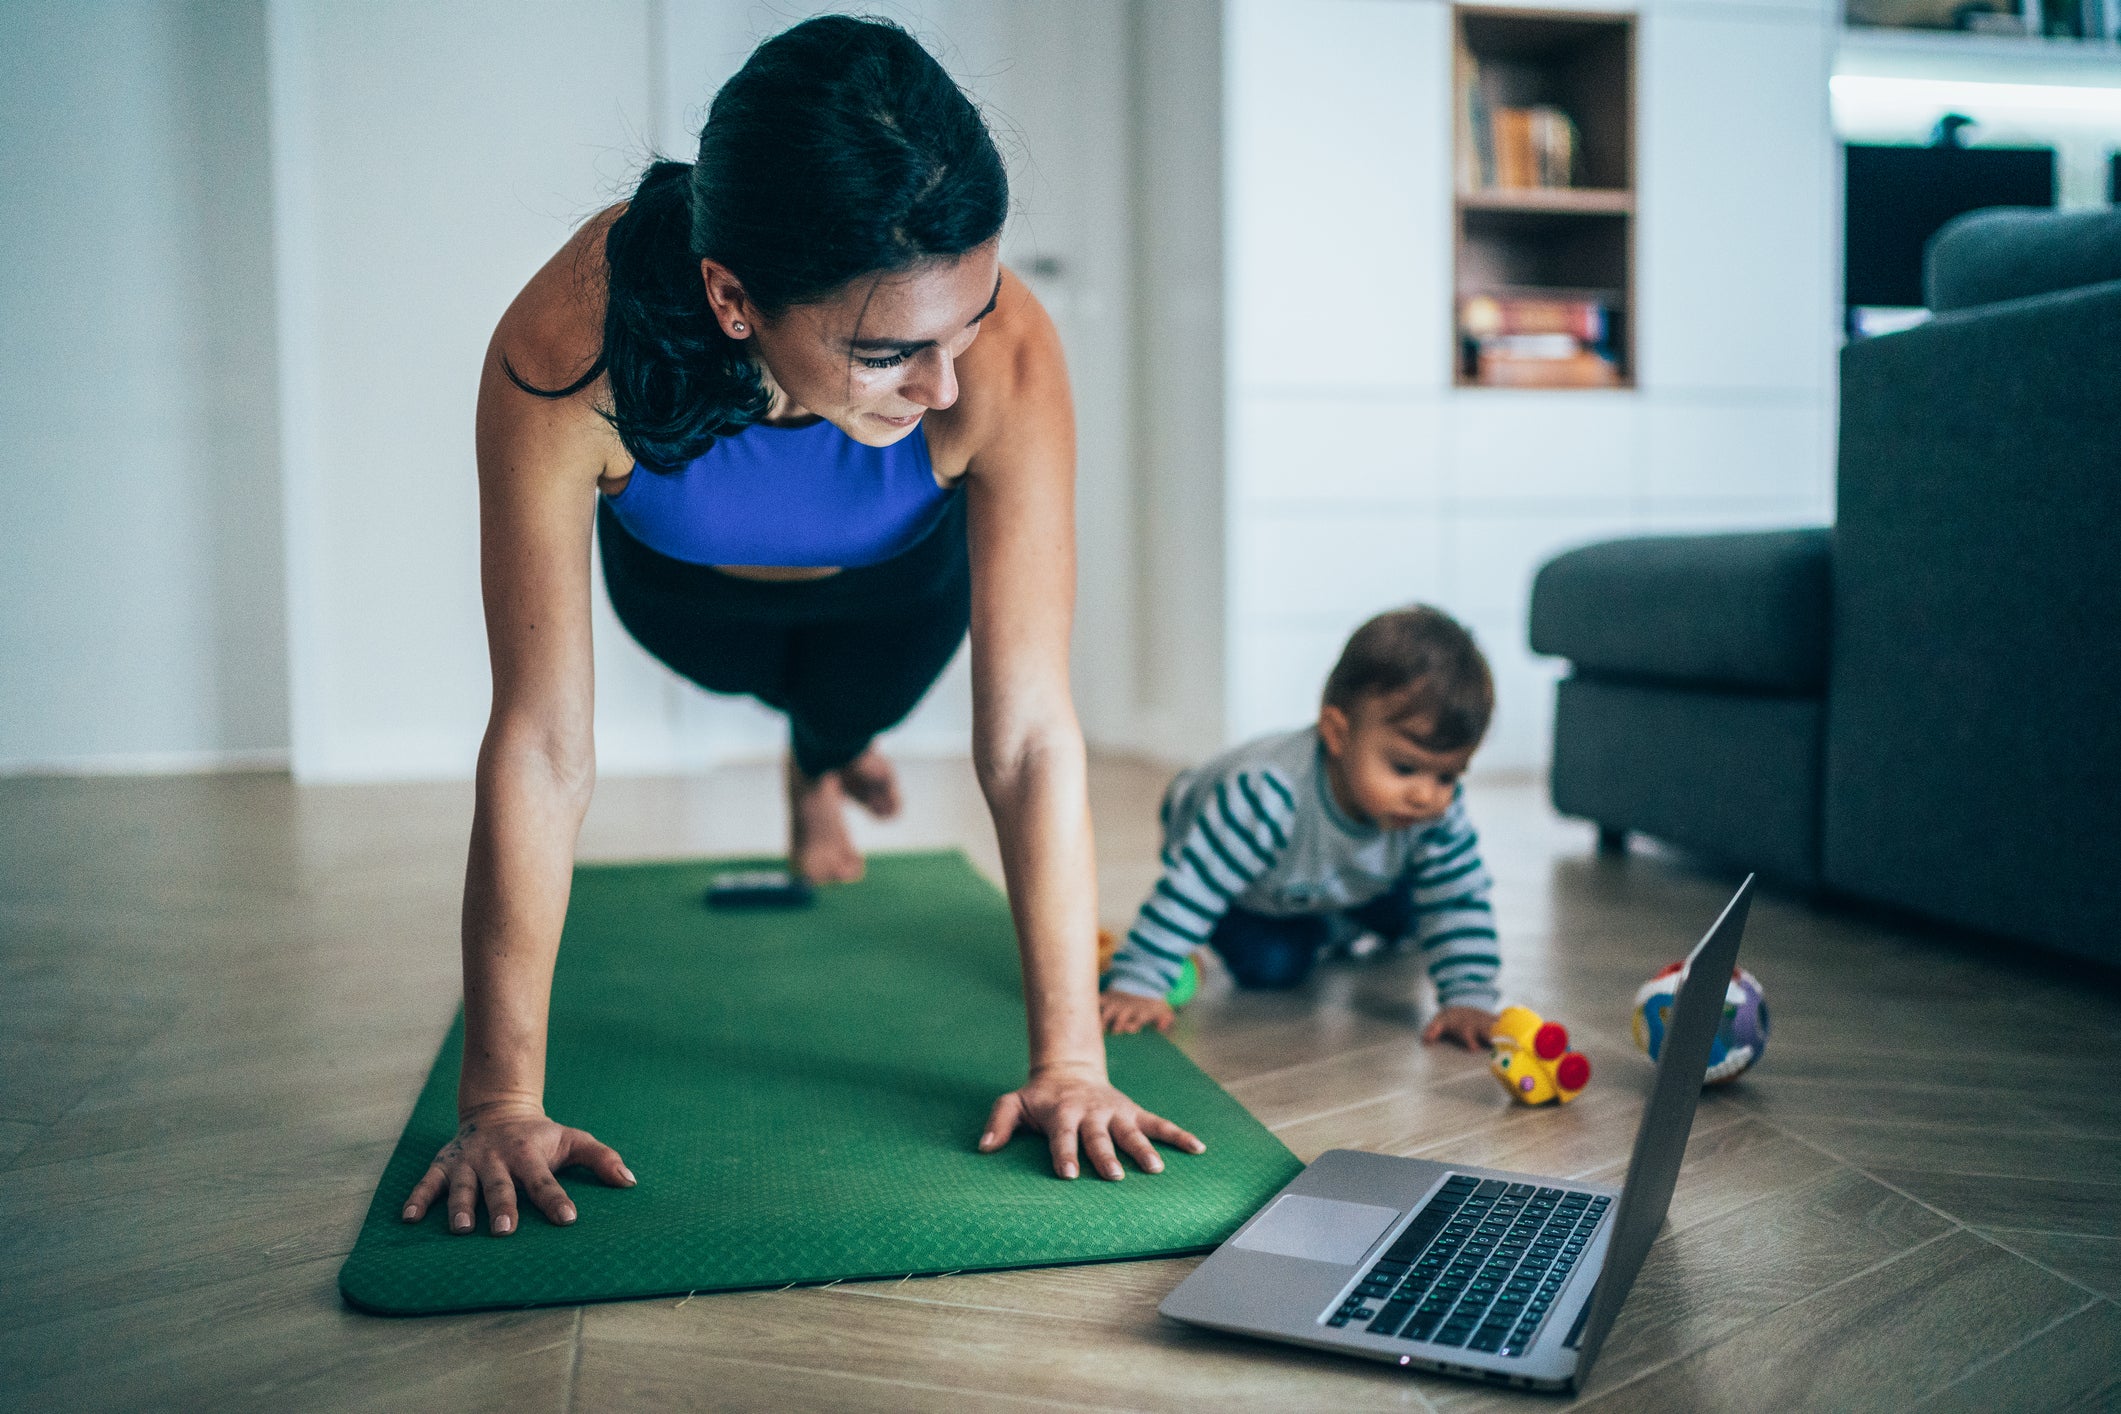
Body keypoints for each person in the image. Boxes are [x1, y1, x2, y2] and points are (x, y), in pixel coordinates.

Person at [398, 16, 1201, 1241]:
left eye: (967, 322)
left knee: (848, 701)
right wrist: (500, 1098)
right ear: (733, 297)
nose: (944, 384)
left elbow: (1031, 733)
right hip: (686, 597)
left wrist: (1073, 1062)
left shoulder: (1007, 355)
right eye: (890, 353)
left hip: (893, 592)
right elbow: (542, 744)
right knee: (765, 679)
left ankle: (824, 759)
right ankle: (819, 748)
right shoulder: (570, 344)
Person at [1099, 606, 1505, 1049]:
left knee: (1420, 908)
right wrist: (1139, 981)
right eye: (1405, 767)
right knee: (1271, 966)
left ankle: (1334, 917)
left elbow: (1458, 897)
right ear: (1337, 734)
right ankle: (1325, 924)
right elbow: (1194, 888)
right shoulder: (1266, 795)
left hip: (1333, 875)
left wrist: (1468, 997)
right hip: (1244, 876)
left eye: (1447, 776)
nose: (1426, 795)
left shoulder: (1432, 813)